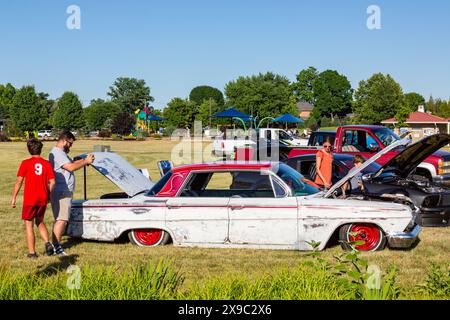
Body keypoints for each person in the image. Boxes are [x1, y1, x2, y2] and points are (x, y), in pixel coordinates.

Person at [49, 130, 94, 256]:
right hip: (62, 191)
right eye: (70, 143)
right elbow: (71, 167)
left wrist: (83, 160)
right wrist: (85, 161)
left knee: (60, 219)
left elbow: (72, 163)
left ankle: (54, 245)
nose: (70, 146)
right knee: (61, 219)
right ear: (64, 141)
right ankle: (57, 248)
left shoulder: (60, 153)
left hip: (62, 190)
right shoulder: (58, 153)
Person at [10, 139, 56, 258]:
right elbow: (52, 182)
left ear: (29, 150)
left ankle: (32, 253)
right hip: (42, 198)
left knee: (28, 224)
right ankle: (47, 243)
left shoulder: (25, 163)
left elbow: (19, 182)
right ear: (41, 149)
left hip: (30, 199)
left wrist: (14, 197)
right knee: (40, 221)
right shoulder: (47, 164)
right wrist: (48, 194)